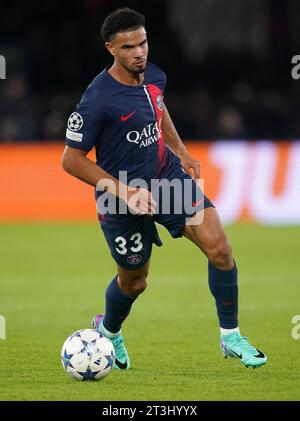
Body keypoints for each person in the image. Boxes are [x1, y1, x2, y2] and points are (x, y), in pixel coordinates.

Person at [62, 8, 267, 370]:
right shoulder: (97, 100)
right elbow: (71, 160)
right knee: (135, 282)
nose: (139, 52)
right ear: (111, 48)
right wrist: (126, 192)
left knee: (219, 248)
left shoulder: (154, 75)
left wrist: (180, 150)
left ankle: (231, 336)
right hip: (121, 198)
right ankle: (109, 331)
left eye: (142, 43)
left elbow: (157, 108)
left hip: (166, 178)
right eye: (128, 47)